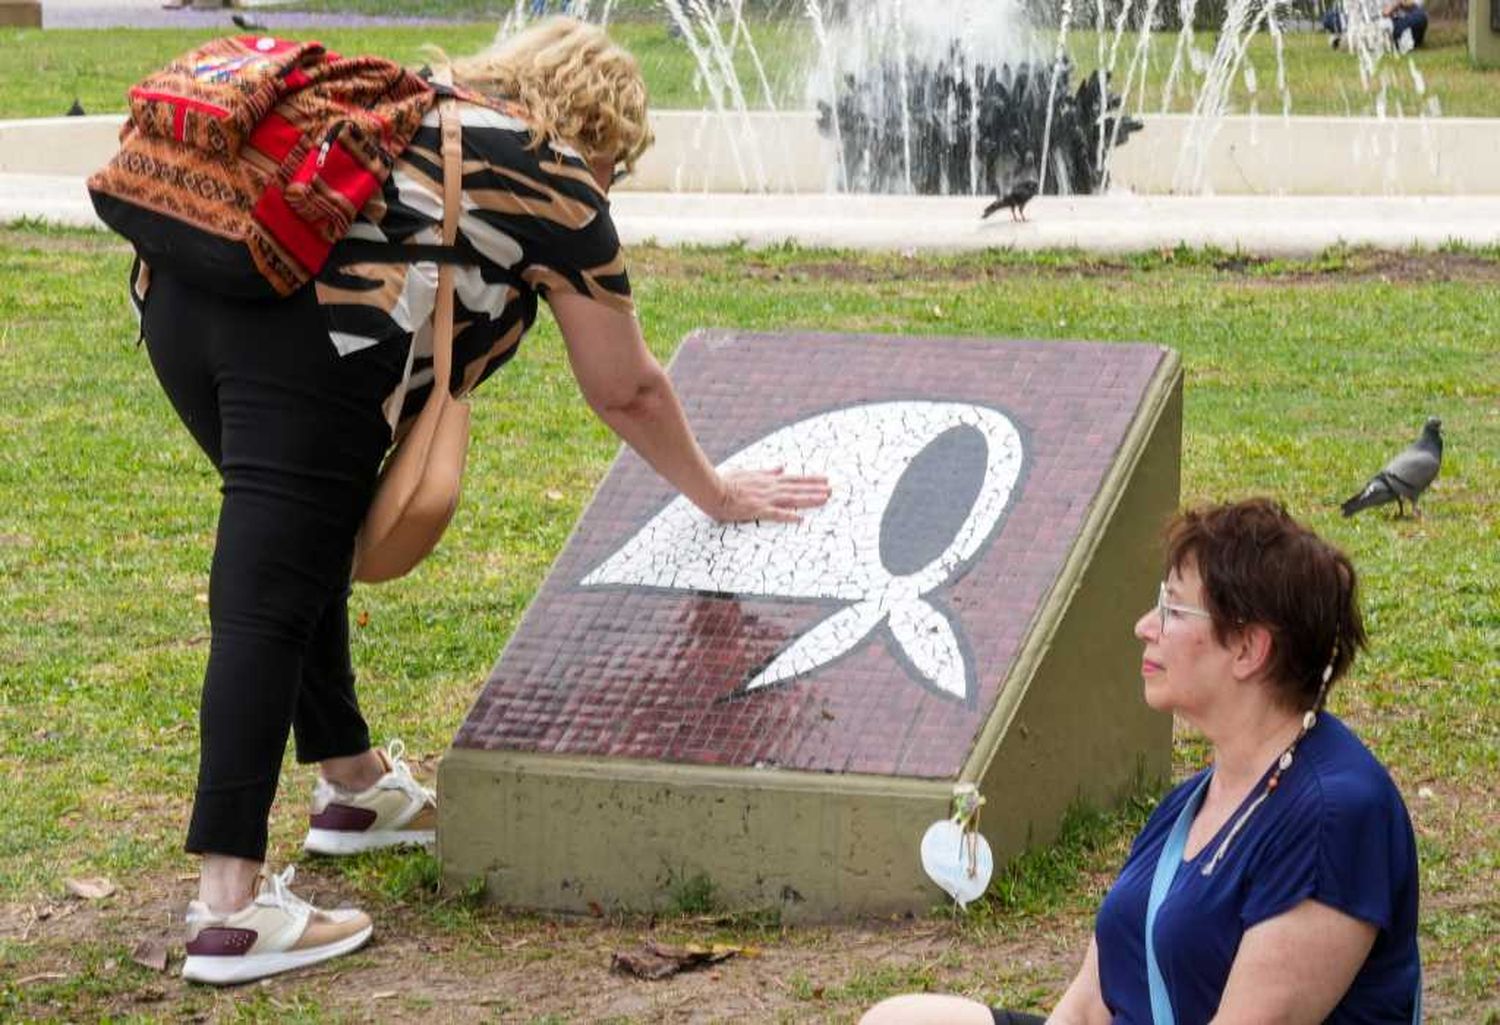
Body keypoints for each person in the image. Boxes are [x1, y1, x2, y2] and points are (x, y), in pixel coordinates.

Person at [131, 17, 830, 985]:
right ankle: (231, 907)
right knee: (268, 591)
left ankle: (353, 787)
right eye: (618, 163)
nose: (612, 182)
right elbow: (624, 384)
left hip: (177, 301)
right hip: (303, 339)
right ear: (603, 127)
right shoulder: (552, 171)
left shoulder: (403, 107)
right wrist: (713, 490)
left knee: (298, 548)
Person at [862, 498, 1421, 1025]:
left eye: (1172, 609)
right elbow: (1084, 1009)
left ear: (1250, 648)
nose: (1145, 626)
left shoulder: (1336, 815)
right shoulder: (1195, 800)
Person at [1323, 0, 1427, 51]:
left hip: (1396, 20)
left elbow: (1415, 3)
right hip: (1367, 20)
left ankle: (1356, 38)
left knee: (1419, 18)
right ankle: (1374, 38)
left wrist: (1397, 4)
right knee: (1329, 18)